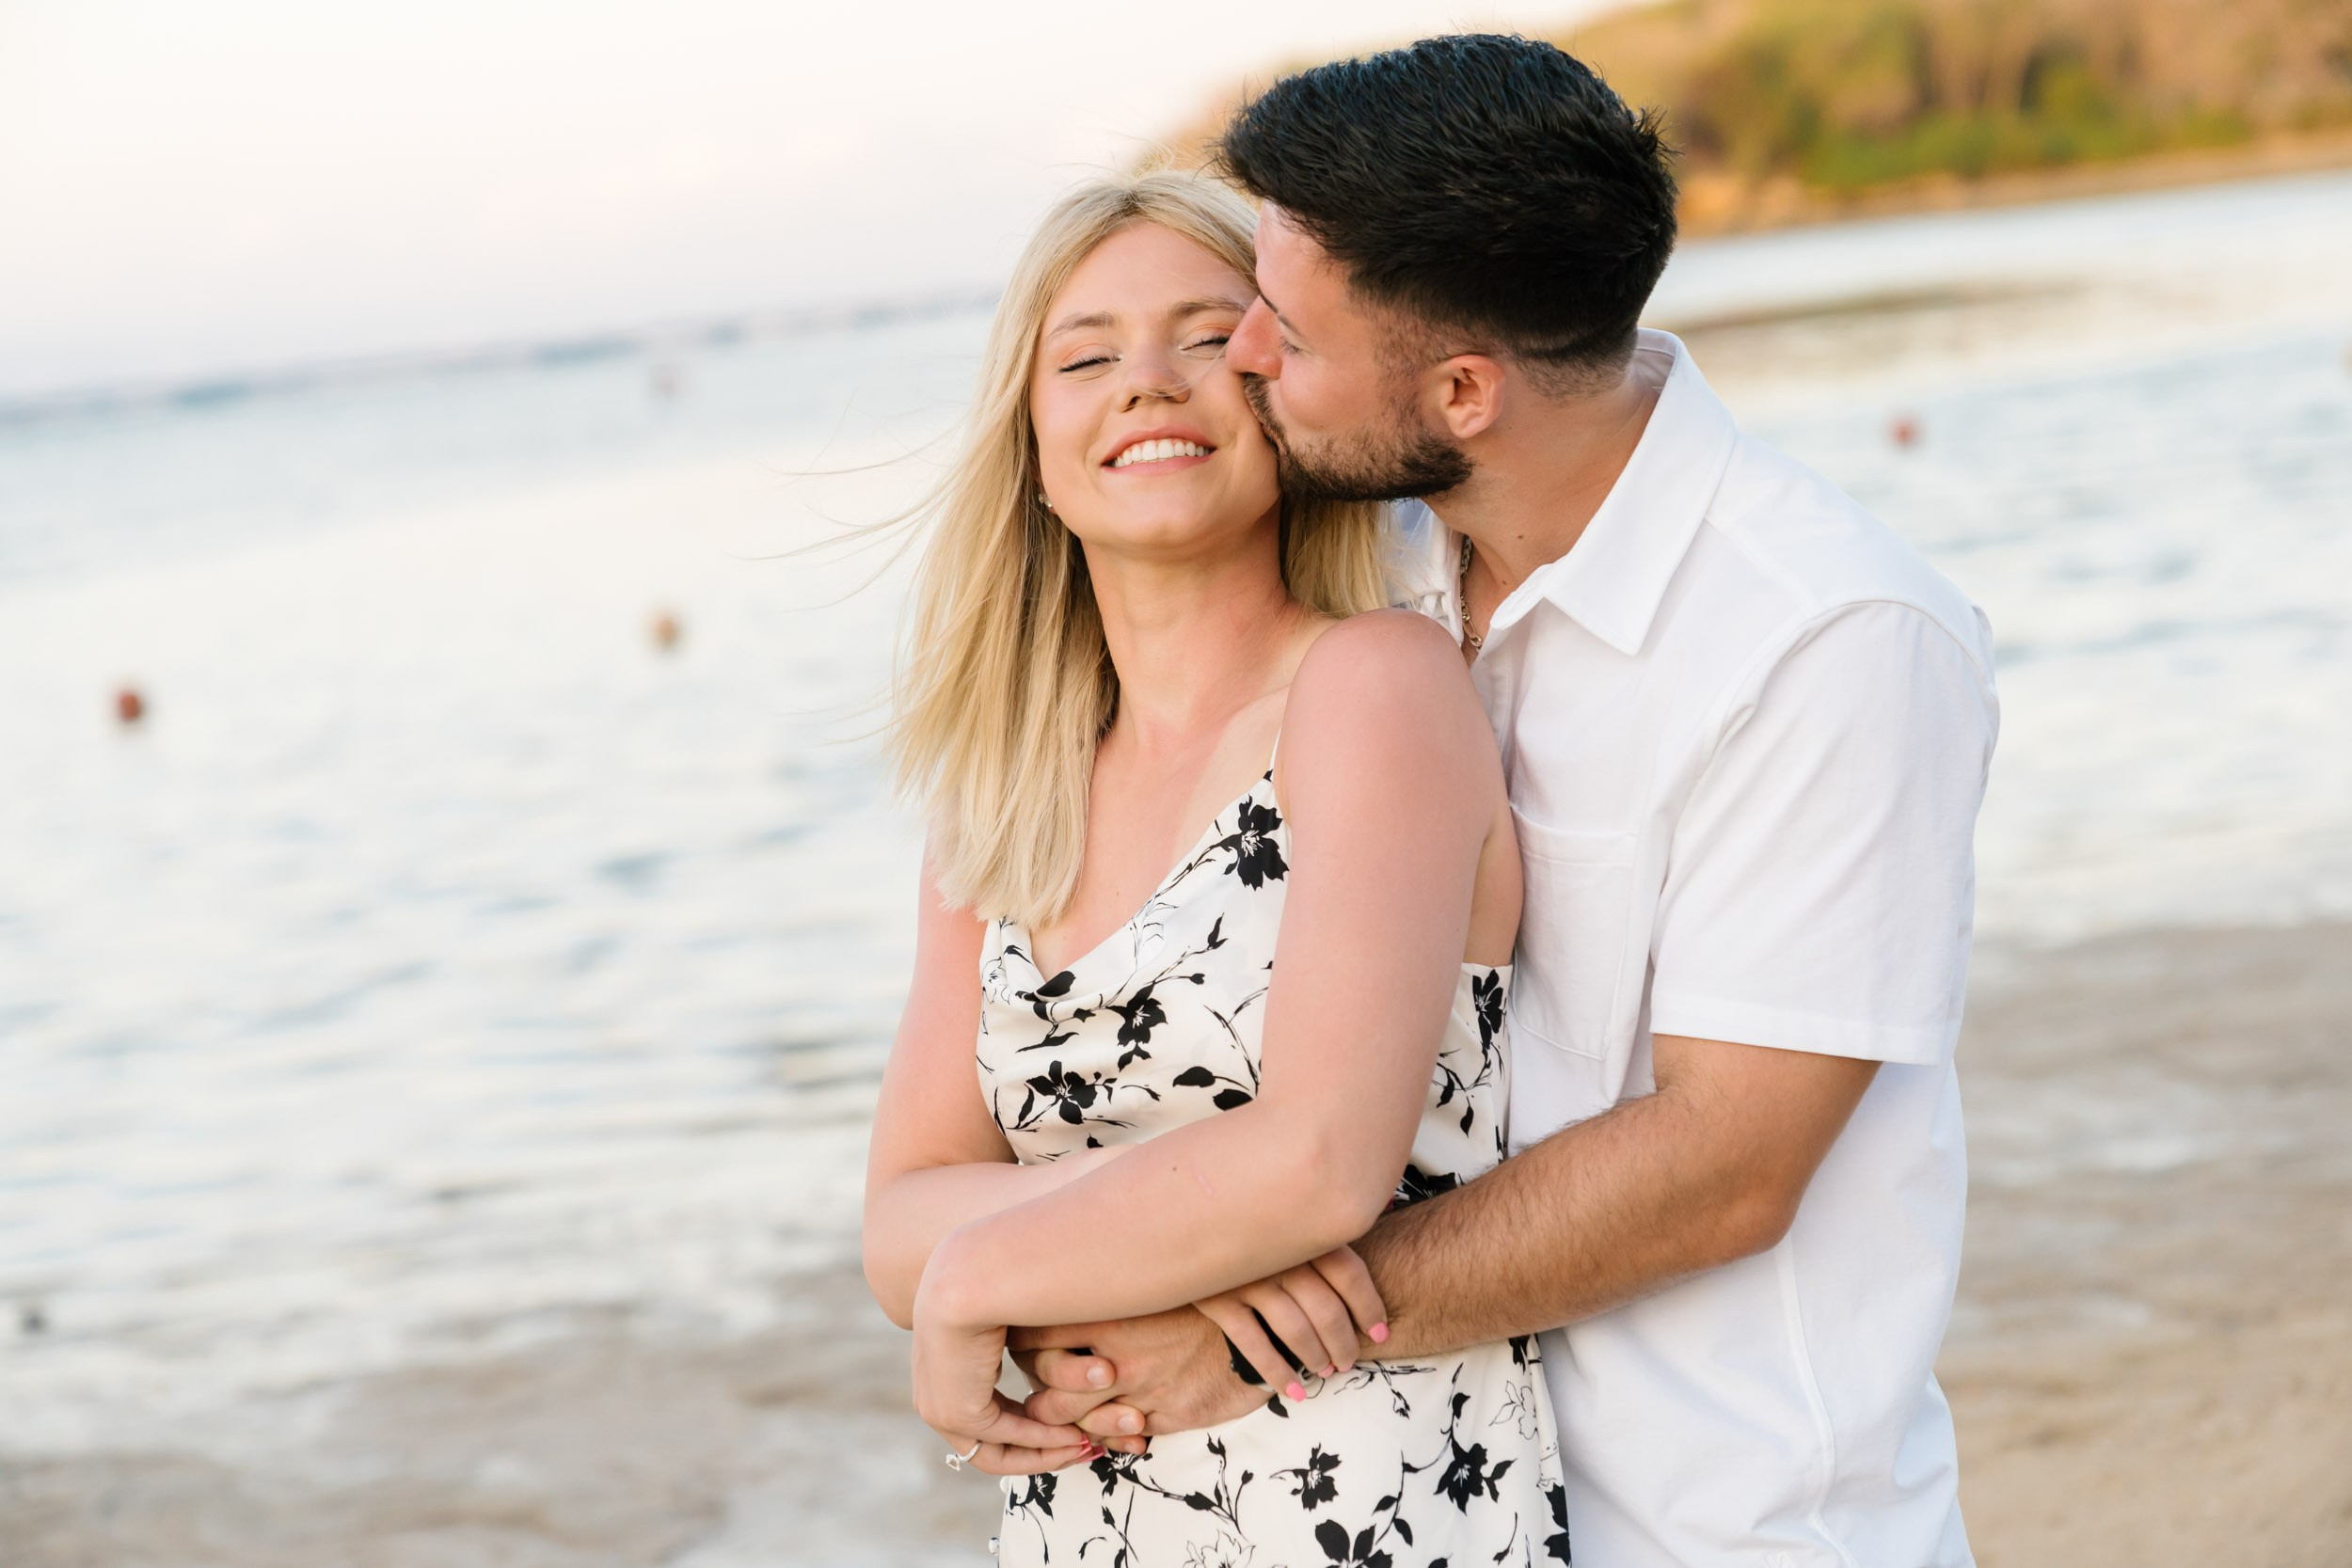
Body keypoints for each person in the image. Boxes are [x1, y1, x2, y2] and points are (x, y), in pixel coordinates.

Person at [1010, 35, 2001, 1568]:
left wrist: (1248, 1334)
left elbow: (1727, 1164)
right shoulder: (1372, 562)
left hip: (1711, 1528)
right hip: (1408, 1497)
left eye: (1286, 328)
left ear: (1463, 390)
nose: (1247, 357)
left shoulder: (1828, 638)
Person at [860, 170, 1570, 1564]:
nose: (1148, 383)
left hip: (1378, 1505)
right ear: (1035, 449)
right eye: (1087, 355)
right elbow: (894, 1225)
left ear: (1289, 400)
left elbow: (1317, 1164)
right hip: (1092, 1515)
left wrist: (985, 1275)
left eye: (1210, 336)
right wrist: (1192, 1221)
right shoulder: (1002, 798)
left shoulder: (1374, 687)